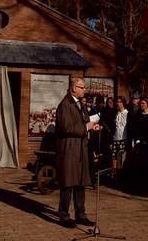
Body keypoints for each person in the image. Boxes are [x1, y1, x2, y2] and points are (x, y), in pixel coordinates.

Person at [56, 77, 99, 228]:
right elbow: (67, 127)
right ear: (74, 88)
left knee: (80, 182)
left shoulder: (80, 103)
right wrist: (86, 128)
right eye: (82, 87)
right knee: (68, 182)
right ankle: (64, 216)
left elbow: (83, 123)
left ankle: (80, 214)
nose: (84, 90)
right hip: (69, 149)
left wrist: (92, 127)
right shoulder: (65, 105)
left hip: (81, 148)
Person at [124, 99, 148, 188]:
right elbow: (133, 129)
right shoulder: (138, 116)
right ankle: (138, 184)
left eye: (143, 103)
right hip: (139, 144)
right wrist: (135, 139)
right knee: (138, 164)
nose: (141, 105)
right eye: (140, 103)